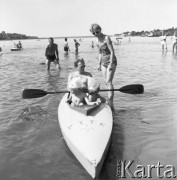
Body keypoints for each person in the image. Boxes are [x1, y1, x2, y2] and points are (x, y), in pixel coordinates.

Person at [90, 23, 117, 110]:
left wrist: (111, 63)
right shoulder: (96, 41)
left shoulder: (106, 38)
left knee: (109, 81)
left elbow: (112, 52)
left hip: (111, 60)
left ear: (100, 30)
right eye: (93, 33)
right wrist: (99, 63)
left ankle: (111, 103)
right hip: (103, 62)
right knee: (106, 82)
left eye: (96, 32)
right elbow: (100, 53)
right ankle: (109, 100)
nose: (95, 34)